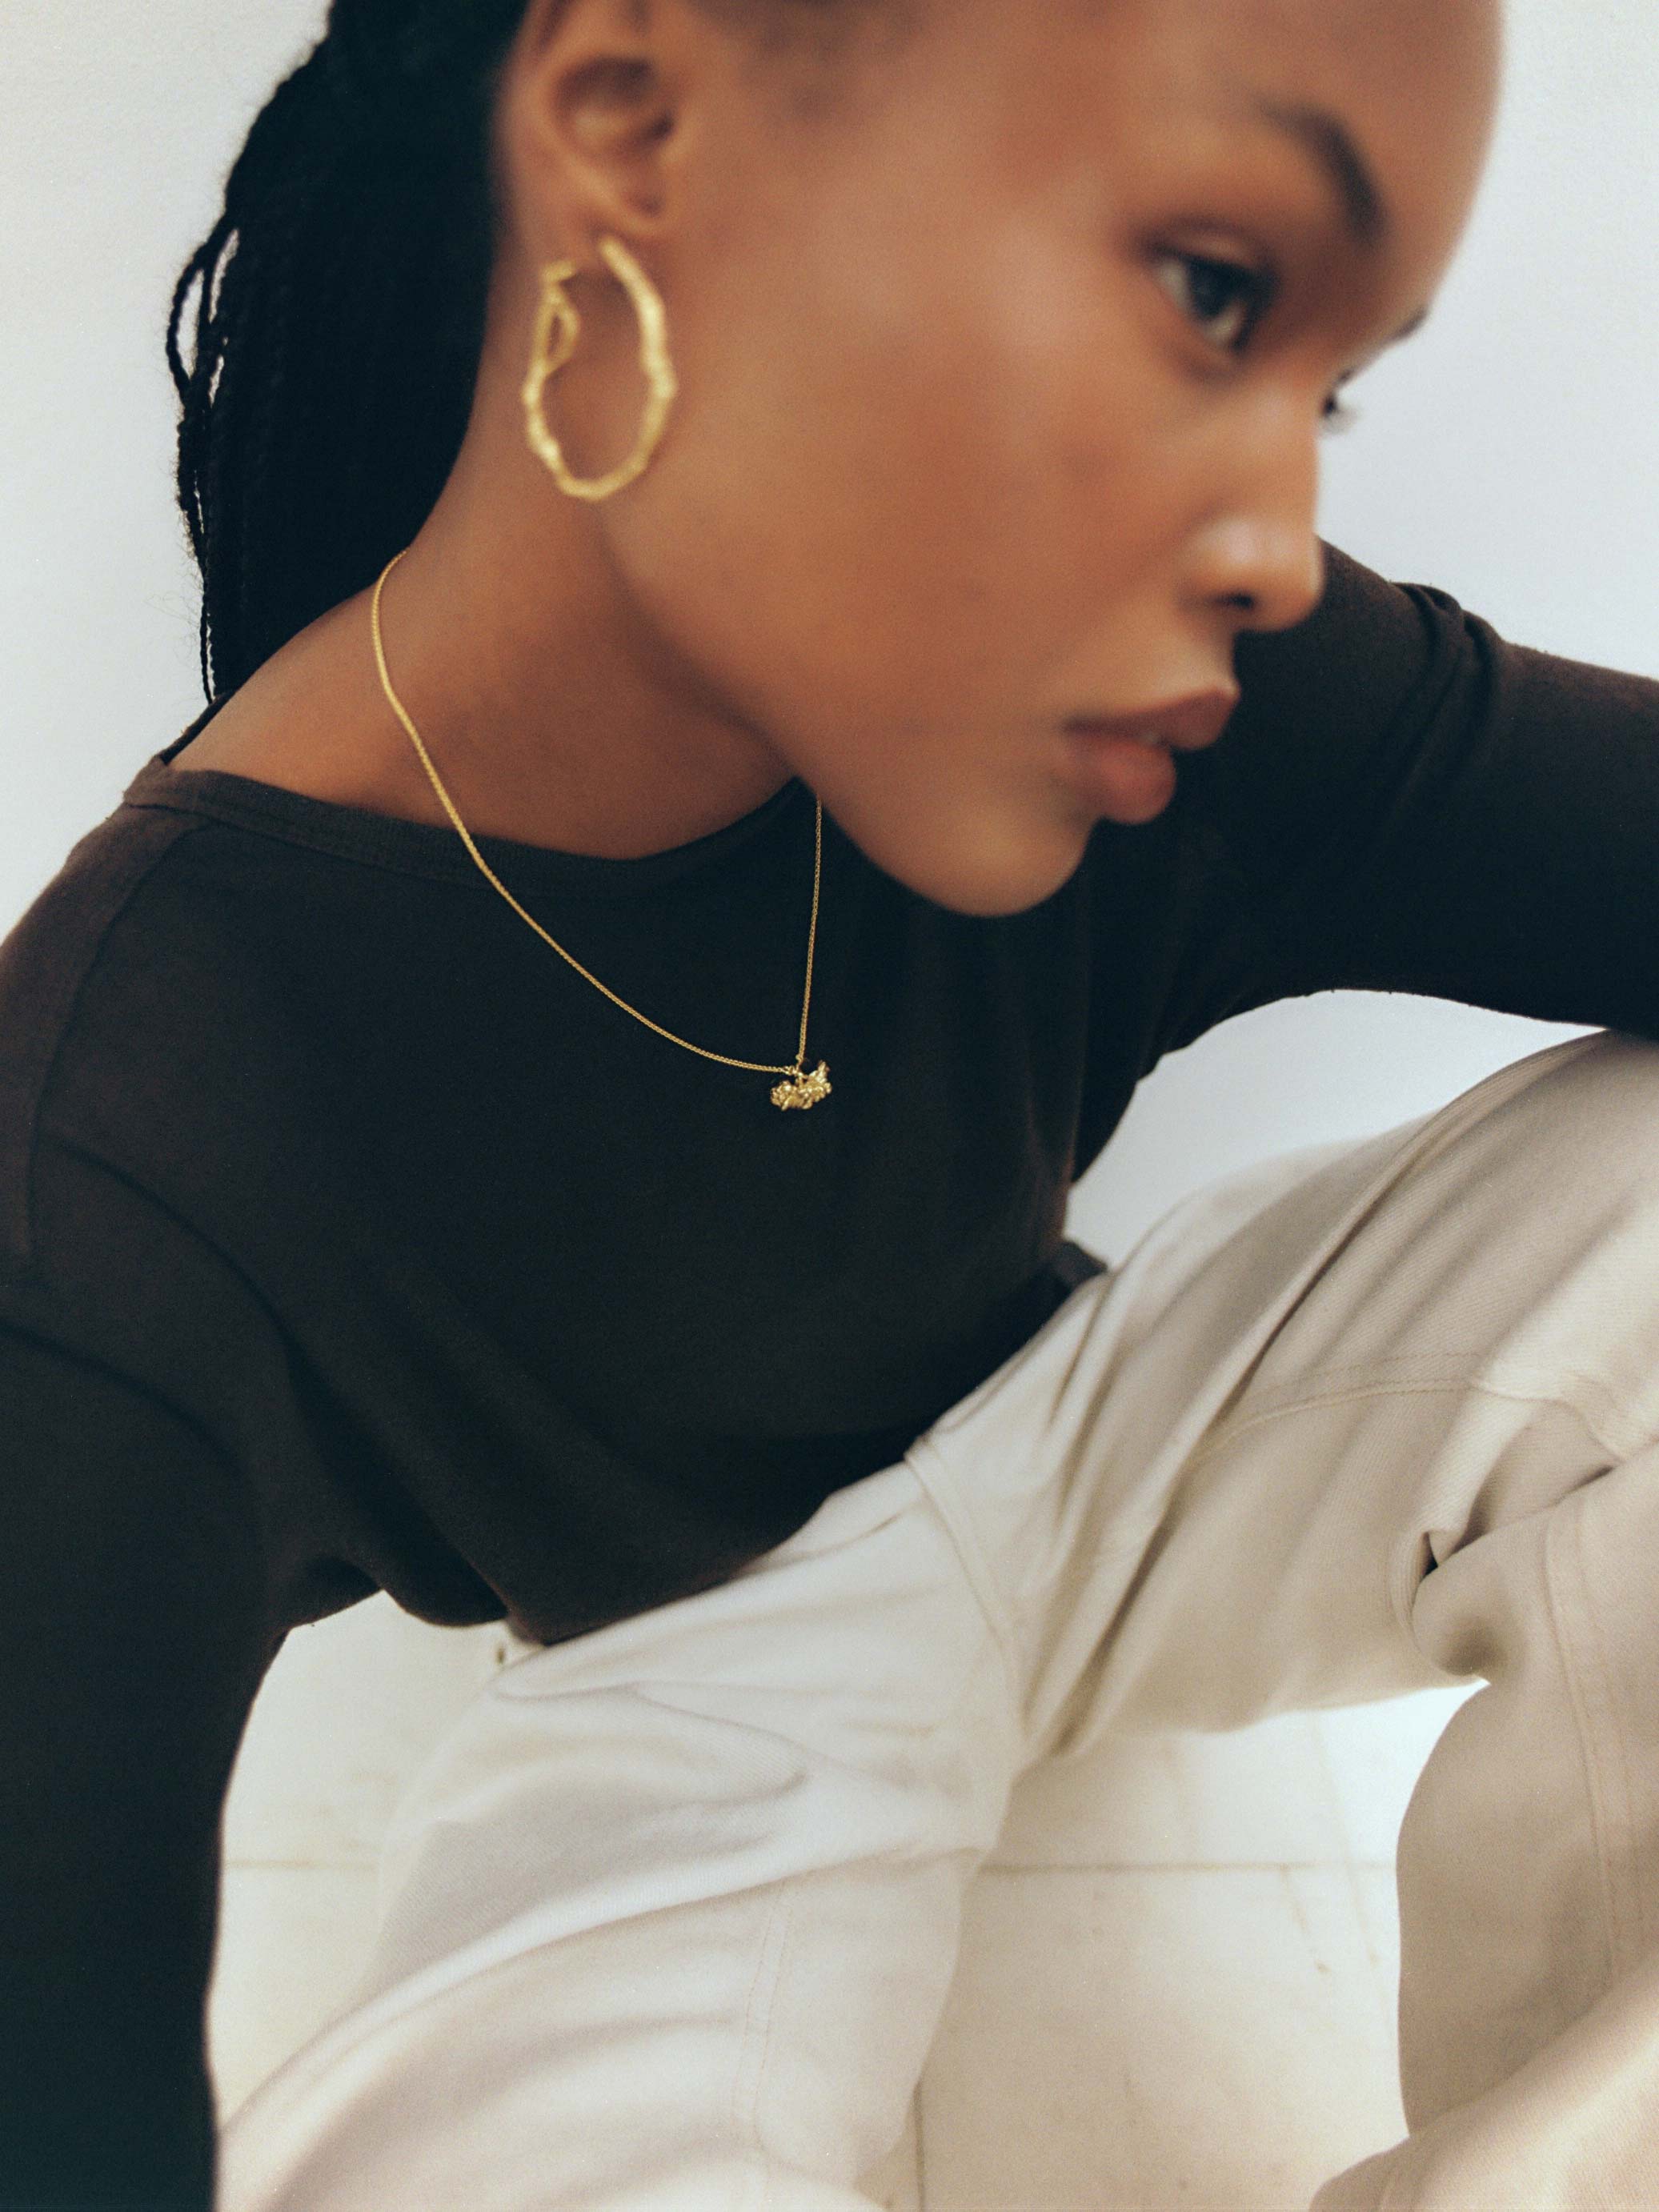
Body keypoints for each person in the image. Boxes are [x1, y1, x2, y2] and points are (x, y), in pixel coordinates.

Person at [3, 0, 1658, 2205]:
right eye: (1206, 292)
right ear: (632, 135)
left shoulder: (1181, 690)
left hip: (1087, 1438)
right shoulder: (124, 1140)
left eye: (1324, 384)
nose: (1274, 535)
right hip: (686, 1684)